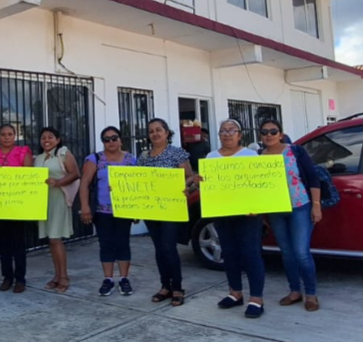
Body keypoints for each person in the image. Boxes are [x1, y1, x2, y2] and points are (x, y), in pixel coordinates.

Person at [202, 118, 266, 319]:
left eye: (232, 130)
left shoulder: (250, 155)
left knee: (251, 253)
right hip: (223, 214)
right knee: (228, 253)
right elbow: (209, 186)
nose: (227, 134)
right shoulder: (211, 157)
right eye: (223, 130)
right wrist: (200, 181)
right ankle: (235, 293)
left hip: (248, 215)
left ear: (240, 135)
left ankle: (256, 299)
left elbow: (260, 184)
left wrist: (258, 208)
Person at [258, 119, 324, 312]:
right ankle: (295, 291)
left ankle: (311, 294)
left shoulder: (295, 151)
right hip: (276, 210)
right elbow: (256, 187)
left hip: (300, 206)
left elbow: (312, 177)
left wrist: (316, 206)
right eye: (264, 132)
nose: (269, 135)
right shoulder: (258, 157)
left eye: (273, 131)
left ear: (281, 133)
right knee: (286, 252)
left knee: (301, 253)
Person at [137, 118, 196, 307]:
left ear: (167, 132)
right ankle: (165, 286)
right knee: (159, 248)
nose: (155, 133)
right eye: (151, 131)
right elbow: (138, 181)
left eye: (158, 130)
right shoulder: (144, 156)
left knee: (169, 247)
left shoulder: (176, 153)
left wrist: (184, 187)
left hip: (171, 208)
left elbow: (190, 177)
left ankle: (177, 287)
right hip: (151, 209)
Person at [79, 126, 138, 297]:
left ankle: (124, 278)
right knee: (105, 244)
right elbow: (84, 183)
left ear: (120, 140)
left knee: (123, 243)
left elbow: (137, 185)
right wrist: (85, 207)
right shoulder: (94, 159)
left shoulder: (131, 160)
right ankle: (108, 279)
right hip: (101, 210)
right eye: (106, 139)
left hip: (124, 210)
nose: (110, 142)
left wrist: (137, 209)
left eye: (114, 138)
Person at [0, 123, 34, 293]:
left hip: (17, 206)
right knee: (3, 242)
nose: (6, 137)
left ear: (15, 136)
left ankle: (20, 279)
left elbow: (29, 176)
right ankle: (7, 277)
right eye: (3, 134)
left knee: (19, 243)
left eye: (10, 134)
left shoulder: (23, 152)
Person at [35, 127, 79, 293]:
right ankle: (57, 275)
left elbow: (75, 173)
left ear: (58, 139)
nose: (46, 140)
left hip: (58, 199)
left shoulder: (63, 153)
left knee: (56, 239)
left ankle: (64, 277)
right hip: (42, 201)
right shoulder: (38, 158)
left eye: (50, 137)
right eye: (43, 137)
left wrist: (58, 182)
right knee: (51, 241)